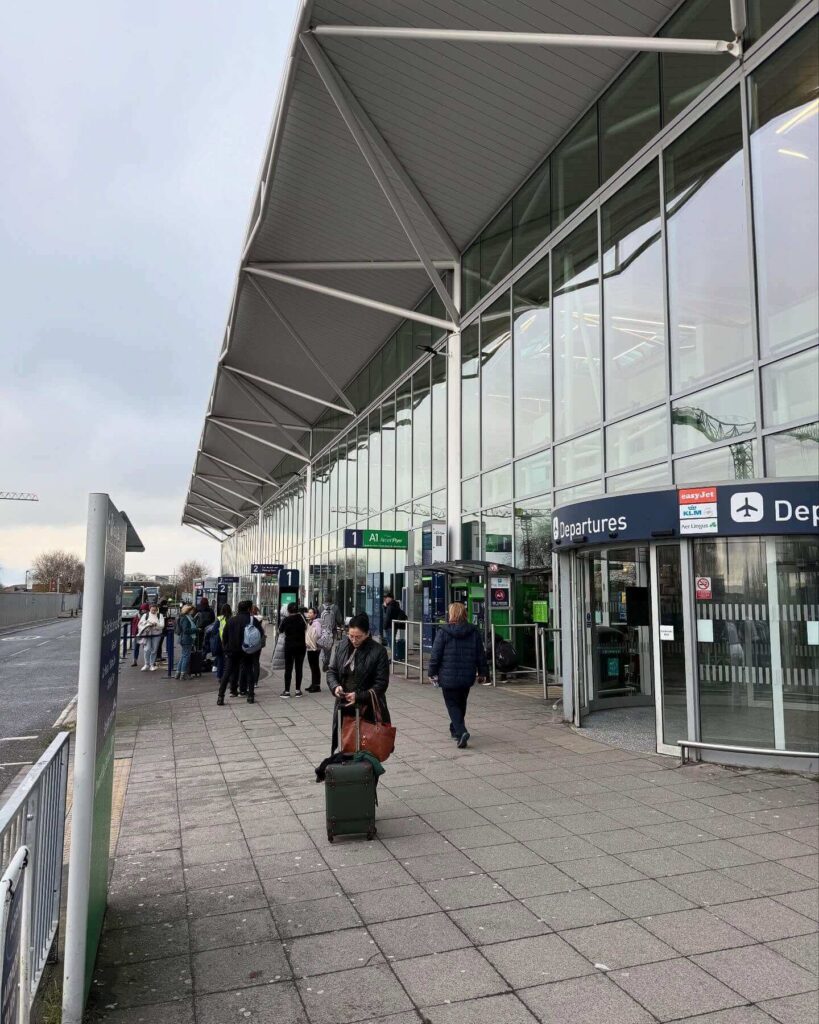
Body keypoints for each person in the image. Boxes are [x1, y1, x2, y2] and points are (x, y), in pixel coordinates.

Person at [327, 612, 391, 753]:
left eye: (358, 637)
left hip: (368, 708)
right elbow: (332, 671)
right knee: (344, 747)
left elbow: (381, 684)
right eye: (351, 636)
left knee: (367, 749)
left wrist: (359, 696)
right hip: (344, 706)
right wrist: (335, 686)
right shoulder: (342, 645)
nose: (354, 640)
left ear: (367, 633)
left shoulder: (378, 651)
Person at [427, 602, 488, 749]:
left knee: (452, 704)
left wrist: (431, 672)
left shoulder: (443, 631)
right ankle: (455, 729)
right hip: (467, 675)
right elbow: (481, 654)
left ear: (451, 614)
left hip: (448, 675)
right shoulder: (473, 632)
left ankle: (461, 731)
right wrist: (483, 672)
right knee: (461, 702)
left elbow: (436, 655)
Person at [218, 600, 253, 704]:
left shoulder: (231, 620)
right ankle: (250, 696)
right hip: (247, 650)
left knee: (227, 673)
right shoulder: (251, 620)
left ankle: (220, 696)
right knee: (249, 671)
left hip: (232, 651)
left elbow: (224, 636)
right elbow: (258, 635)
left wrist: (226, 648)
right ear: (248, 609)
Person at [278, 602, 307, 697]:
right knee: (299, 668)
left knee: (288, 668)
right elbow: (306, 627)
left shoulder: (286, 620)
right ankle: (298, 690)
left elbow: (280, 630)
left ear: (288, 610)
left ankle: (287, 691)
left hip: (289, 647)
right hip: (301, 646)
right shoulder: (302, 618)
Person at [241, 604, 266, 695]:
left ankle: (244, 685)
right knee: (256, 662)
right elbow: (263, 631)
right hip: (257, 643)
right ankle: (255, 681)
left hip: (247, 643)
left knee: (246, 664)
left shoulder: (249, 619)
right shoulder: (262, 620)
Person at [137, 603, 165, 672]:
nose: (154, 611)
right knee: (147, 649)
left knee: (154, 649)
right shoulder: (145, 615)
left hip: (156, 635)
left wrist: (156, 624)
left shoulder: (160, 615)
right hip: (147, 634)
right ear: (150, 609)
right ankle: (146, 664)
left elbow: (162, 625)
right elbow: (140, 624)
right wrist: (148, 624)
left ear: (157, 609)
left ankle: (152, 664)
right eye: (152, 610)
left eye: (155, 610)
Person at [319, 594, 344, 671]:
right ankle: (327, 662)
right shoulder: (335, 607)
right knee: (329, 647)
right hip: (332, 631)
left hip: (322, 631)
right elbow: (339, 620)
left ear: (324, 599)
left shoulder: (320, 607)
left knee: (323, 646)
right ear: (331, 599)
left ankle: (324, 659)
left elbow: (317, 618)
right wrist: (341, 624)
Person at [175, 604, 197, 680]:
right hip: (186, 639)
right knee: (186, 656)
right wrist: (196, 629)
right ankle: (183, 674)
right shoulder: (186, 618)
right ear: (189, 611)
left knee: (183, 656)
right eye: (192, 610)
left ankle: (178, 673)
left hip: (183, 639)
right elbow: (186, 630)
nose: (193, 612)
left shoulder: (184, 617)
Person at [304, 607, 323, 692]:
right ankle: (313, 683)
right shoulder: (310, 622)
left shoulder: (317, 623)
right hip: (310, 647)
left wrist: (312, 638)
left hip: (315, 647)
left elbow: (318, 634)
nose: (309, 614)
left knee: (315, 666)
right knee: (312, 666)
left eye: (311, 613)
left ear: (315, 614)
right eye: (309, 612)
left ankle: (317, 685)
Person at [212, 603, 231, 680]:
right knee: (228, 661)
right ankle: (227, 676)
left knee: (220, 660)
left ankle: (220, 676)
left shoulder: (219, 619)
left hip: (220, 643)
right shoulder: (231, 619)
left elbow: (213, 631)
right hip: (229, 643)